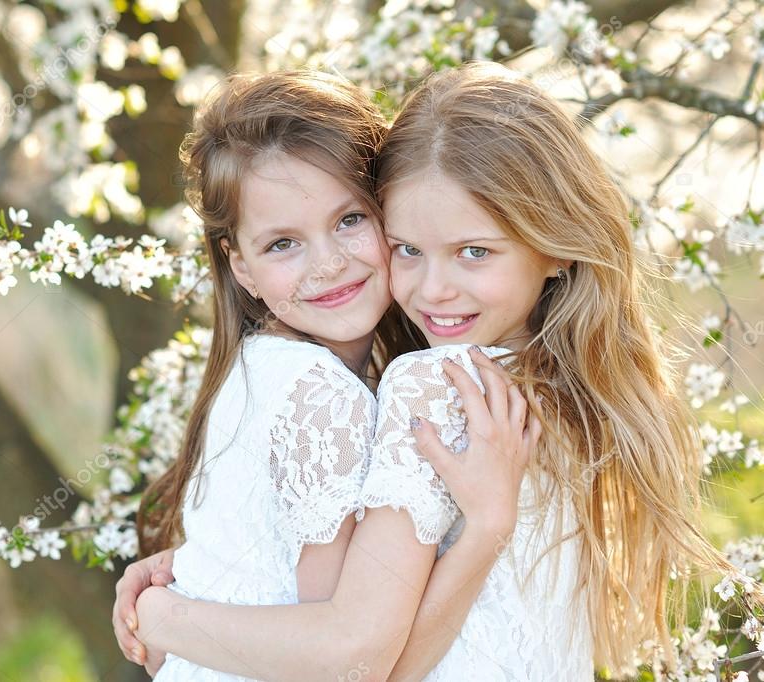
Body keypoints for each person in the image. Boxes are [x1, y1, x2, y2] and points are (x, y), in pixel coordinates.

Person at [119, 62, 737, 679]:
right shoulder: (583, 390)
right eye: (409, 249)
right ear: (241, 265)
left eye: (474, 252)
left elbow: (362, 663)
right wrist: (203, 568)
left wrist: (166, 617)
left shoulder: (434, 388)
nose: (436, 290)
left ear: (553, 243)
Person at [117, 69, 537, 681]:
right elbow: (344, 654)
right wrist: (160, 615)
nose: (329, 262)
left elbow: (268, 569)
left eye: (349, 221)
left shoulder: (261, 368)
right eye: (283, 243)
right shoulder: (318, 395)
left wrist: (181, 585)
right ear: (242, 269)